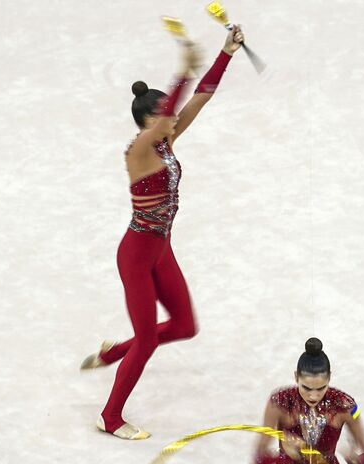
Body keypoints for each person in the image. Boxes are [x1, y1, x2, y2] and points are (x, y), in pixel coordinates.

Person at [83, 23, 247, 440]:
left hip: (161, 250)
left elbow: (201, 100)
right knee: (148, 341)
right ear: (150, 120)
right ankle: (111, 416)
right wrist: (181, 72)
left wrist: (225, 53)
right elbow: (168, 116)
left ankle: (115, 351)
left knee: (185, 325)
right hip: (137, 255)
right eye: (168, 118)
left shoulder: (165, 142)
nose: (176, 122)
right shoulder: (139, 150)